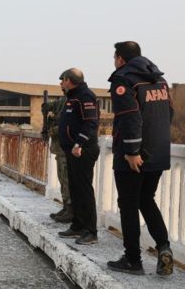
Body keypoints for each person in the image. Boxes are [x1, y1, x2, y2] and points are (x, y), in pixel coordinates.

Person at [106, 41, 173, 276]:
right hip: (158, 152)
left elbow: (129, 116)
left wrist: (132, 152)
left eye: (114, 58)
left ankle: (133, 260)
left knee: (129, 205)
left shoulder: (124, 79)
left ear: (121, 58)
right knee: (147, 200)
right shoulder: (160, 81)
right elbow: (169, 114)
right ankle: (164, 247)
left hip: (132, 156)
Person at [57, 68, 100, 245]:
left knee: (84, 190)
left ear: (69, 80)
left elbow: (91, 122)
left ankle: (91, 231)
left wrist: (79, 143)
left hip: (83, 150)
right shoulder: (72, 97)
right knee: (75, 188)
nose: (60, 83)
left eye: (62, 80)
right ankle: (77, 225)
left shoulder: (85, 96)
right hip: (72, 150)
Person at [42, 96, 72, 223]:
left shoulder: (72, 100)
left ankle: (70, 210)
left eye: (63, 81)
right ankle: (66, 207)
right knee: (62, 178)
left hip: (66, 148)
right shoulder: (62, 100)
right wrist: (46, 106)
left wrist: (53, 130)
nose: (61, 84)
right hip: (60, 148)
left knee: (67, 180)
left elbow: (69, 124)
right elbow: (51, 106)